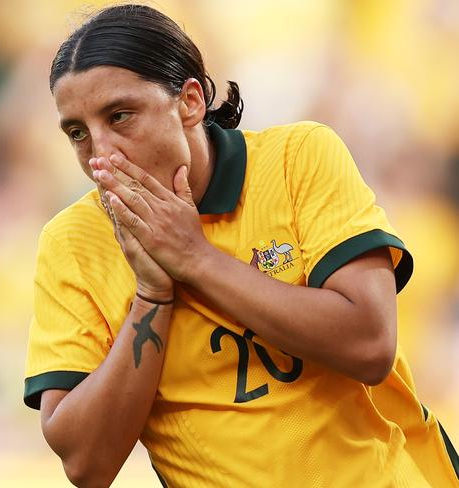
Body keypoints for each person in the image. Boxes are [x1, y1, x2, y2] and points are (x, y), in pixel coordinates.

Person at [23, 4, 459, 487]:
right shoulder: (72, 242)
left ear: (190, 101)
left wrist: (194, 258)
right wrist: (152, 294)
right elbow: (87, 465)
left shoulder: (298, 158)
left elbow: (371, 344)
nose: (101, 156)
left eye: (120, 116)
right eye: (78, 133)